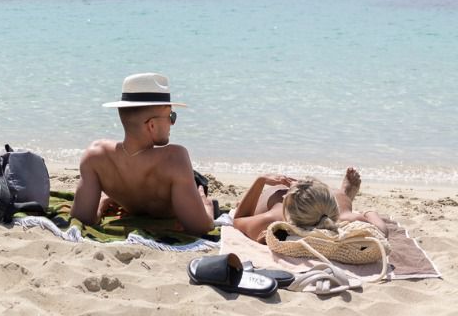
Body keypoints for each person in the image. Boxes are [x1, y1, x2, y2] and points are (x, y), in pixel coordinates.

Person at [71, 72, 214, 235]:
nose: (172, 123)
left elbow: (82, 219)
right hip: (179, 191)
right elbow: (200, 227)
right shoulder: (174, 159)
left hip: (126, 196)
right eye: (171, 116)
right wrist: (206, 207)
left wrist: (102, 203)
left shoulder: (95, 156)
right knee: (199, 184)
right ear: (152, 126)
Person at [231, 168, 387, 242]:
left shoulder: (272, 219)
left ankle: (340, 194)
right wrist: (369, 213)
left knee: (267, 197)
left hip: (281, 208)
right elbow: (381, 232)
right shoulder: (343, 218)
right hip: (327, 210)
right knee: (340, 200)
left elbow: (238, 219)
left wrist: (261, 180)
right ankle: (344, 194)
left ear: (287, 203)